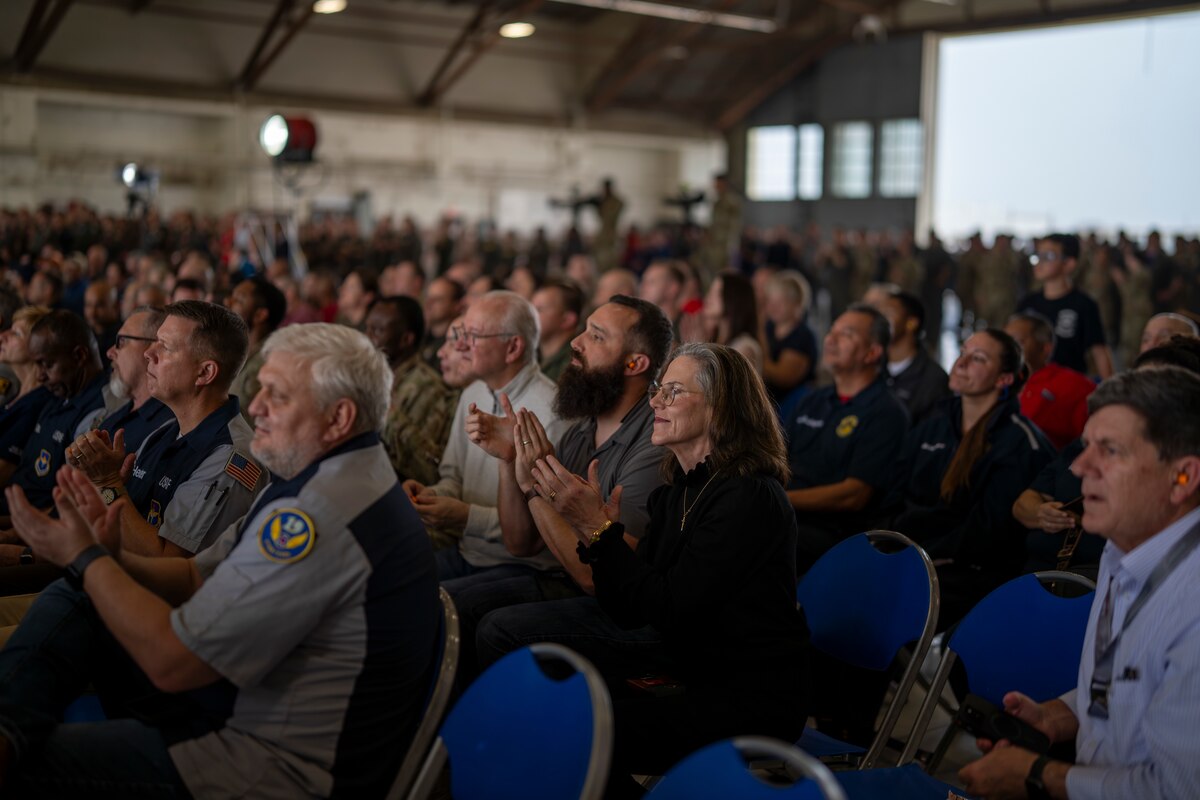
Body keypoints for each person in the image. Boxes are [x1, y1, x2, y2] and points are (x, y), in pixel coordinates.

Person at [0, 322, 439, 798]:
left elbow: (173, 663)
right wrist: (108, 558)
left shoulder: (315, 515)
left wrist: (88, 559)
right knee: (80, 597)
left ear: (339, 418)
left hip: (266, 763)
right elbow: (195, 572)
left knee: (31, 757)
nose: (255, 406)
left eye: (278, 395)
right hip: (244, 704)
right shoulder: (332, 472)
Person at [480, 343, 809, 798]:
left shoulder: (748, 497)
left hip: (746, 693)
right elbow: (630, 609)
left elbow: (670, 610)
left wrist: (597, 530)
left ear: (720, 408)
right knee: (546, 709)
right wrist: (601, 536)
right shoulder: (679, 490)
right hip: (689, 667)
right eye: (659, 389)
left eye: (673, 391)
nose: (655, 401)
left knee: (571, 730)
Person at [959, 366, 1200, 800]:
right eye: (1086, 445)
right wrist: (1060, 714)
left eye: (1110, 450)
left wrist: (1038, 777)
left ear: (1183, 477)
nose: (1079, 465)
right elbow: (1136, 678)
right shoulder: (1122, 546)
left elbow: (1178, 790)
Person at [455, 295, 672, 678]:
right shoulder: (582, 429)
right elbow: (521, 543)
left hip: (625, 610)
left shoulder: (653, 447)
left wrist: (535, 487)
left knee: (495, 629)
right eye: (584, 329)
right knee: (452, 603)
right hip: (562, 576)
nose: (576, 342)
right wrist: (511, 460)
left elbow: (597, 579)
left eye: (597, 336)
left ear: (635, 363)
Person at [66, 301, 263, 557]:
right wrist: (100, 480)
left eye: (165, 347)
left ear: (204, 373)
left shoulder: (229, 458)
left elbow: (168, 564)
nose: (149, 353)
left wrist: (109, 483)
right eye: (154, 341)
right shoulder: (166, 432)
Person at [892, 329, 1053, 628]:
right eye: (963, 351)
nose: (961, 363)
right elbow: (894, 492)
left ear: (1003, 379)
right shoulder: (934, 426)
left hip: (969, 572)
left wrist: (921, 556)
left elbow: (987, 531)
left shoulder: (1019, 443)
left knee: (878, 607)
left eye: (977, 358)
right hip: (912, 555)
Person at [403, 291, 568, 574]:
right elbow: (453, 477)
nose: (462, 346)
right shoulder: (474, 392)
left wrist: (466, 517)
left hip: (522, 566)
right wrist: (431, 496)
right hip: (470, 552)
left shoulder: (551, 413)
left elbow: (540, 530)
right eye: (462, 334)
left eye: (474, 336)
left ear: (513, 347)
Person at [786, 305, 909, 572]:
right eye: (832, 331)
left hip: (834, 535)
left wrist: (781, 499)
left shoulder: (886, 413)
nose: (830, 339)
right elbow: (777, 457)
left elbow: (853, 495)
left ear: (872, 352)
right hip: (788, 515)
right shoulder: (813, 400)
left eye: (847, 334)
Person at [366, 296, 459, 488]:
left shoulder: (430, 389)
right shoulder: (370, 376)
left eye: (378, 330)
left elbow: (432, 470)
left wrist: (389, 415)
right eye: (367, 328)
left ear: (406, 339)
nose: (368, 338)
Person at [1016, 234, 1114, 378]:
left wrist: (1111, 393)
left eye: (1048, 256)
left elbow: (1099, 352)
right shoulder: (1028, 304)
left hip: (1069, 388)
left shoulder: (1083, 305)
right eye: (1037, 255)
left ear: (1068, 264)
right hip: (1031, 387)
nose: (1039, 262)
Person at [1006, 311, 1095, 451]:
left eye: (1018, 342)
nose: (1008, 349)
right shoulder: (992, 384)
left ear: (1045, 348)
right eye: (1005, 342)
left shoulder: (1074, 386)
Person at [875, 289, 950, 426]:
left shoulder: (933, 379)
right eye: (879, 314)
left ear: (911, 323)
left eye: (889, 313)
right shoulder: (872, 366)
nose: (881, 321)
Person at [0, 307, 54, 487]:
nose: (3, 336)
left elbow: (3, 472)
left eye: (16, 333)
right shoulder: (17, 394)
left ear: (37, 346)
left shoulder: (38, 404)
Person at [225, 276, 286, 426]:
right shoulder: (234, 349)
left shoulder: (270, 361)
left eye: (239, 300)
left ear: (260, 315)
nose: (228, 303)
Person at [759, 270, 818, 407]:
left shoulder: (802, 335)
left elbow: (784, 377)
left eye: (780, 302)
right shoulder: (768, 327)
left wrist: (754, 358)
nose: (773, 307)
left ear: (797, 303)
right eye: (770, 301)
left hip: (791, 405)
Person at [702, 271, 762, 372]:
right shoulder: (715, 339)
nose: (708, 298)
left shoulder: (745, 347)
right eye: (710, 291)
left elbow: (720, 382)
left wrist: (699, 345)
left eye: (718, 293)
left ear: (733, 298)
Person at [531, 279, 583, 382]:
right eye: (530, 308)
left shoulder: (574, 364)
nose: (529, 315)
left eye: (539, 309)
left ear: (567, 320)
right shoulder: (532, 355)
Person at [420, 276, 465, 370]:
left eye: (437, 299)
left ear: (457, 306)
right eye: (428, 297)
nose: (428, 303)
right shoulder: (420, 338)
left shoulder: (459, 345)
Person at [81, 280, 121, 355]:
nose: (92, 312)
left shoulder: (123, 339)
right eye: (88, 305)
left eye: (99, 305)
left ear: (116, 306)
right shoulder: (82, 335)